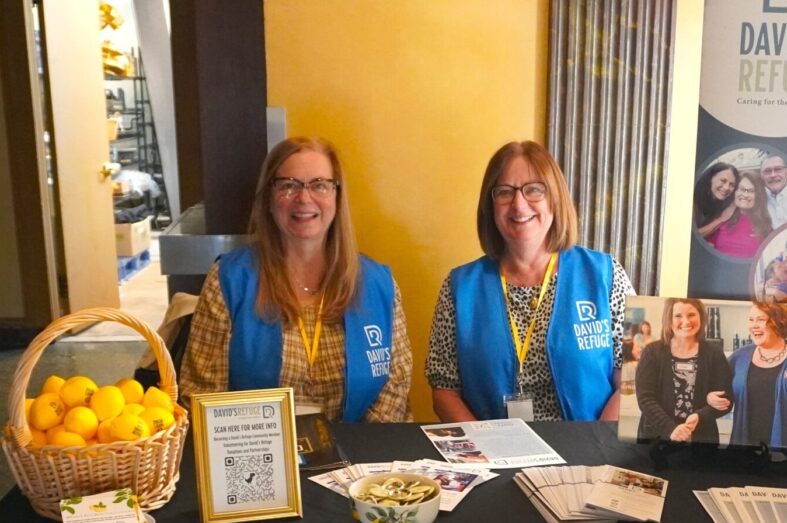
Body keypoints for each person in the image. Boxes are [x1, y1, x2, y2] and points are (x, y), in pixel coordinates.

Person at [180, 136, 412, 422]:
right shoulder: (228, 281)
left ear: (337, 198)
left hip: (359, 455)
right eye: (288, 185)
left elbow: (395, 387)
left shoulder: (379, 284)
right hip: (258, 455)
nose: (304, 198)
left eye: (319, 185)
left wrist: (357, 456)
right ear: (268, 197)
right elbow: (202, 394)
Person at [426, 140, 633, 422]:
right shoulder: (458, 288)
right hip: (492, 455)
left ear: (555, 198)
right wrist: (485, 452)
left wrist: (594, 451)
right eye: (504, 192)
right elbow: (444, 390)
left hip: (588, 456)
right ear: (491, 205)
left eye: (533, 189)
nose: (519, 204)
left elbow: (633, 383)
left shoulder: (608, 277)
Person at [714, 302, 787, 450]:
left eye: (761, 320)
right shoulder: (739, 357)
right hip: (745, 454)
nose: (753, 326)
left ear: (779, 322)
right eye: (751, 320)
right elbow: (717, 392)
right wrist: (711, 398)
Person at [634, 298, 732, 443]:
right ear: (669, 319)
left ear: (701, 317)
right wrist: (671, 428)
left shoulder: (715, 354)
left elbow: (727, 400)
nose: (686, 322)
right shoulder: (652, 352)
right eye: (678, 316)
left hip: (702, 441)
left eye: (691, 315)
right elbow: (645, 399)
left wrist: (701, 415)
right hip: (656, 440)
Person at [706, 171, 772, 259]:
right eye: (741, 189)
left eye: (751, 191)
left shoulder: (765, 226)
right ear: (734, 192)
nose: (745, 194)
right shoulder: (721, 217)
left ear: (758, 195)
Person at [693, 162, 740, 240]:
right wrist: (721, 219)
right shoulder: (692, 199)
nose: (726, 187)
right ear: (710, 178)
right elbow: (692, 236)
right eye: (723, 180)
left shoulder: (723, 204)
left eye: (732, 185)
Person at [760, 155, 787, 227]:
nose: (773, 175)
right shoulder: (758, 197)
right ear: (762, 176)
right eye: (767, 171)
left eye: (778, 169)